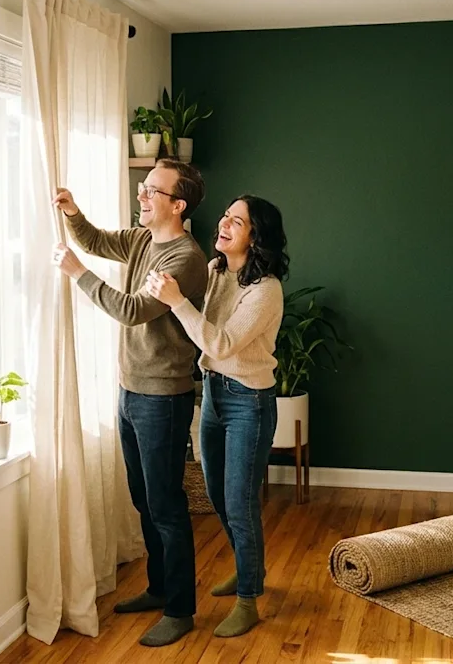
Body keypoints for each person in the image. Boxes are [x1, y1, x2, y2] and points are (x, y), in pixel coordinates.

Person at [50, 158, 209, 647]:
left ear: (177, 205)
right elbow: (97, 240)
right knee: (143, 499)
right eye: (144, 186)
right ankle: (159, 589)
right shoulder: (143, 240)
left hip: (162, 397)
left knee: (166, 506)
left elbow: (133, 310)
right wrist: (73, 213)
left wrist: (78, 274)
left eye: (152, 190)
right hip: (130, 389)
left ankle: (180, 609)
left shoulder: (185, 259)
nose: (142, 194)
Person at [144, 194, 289, 638]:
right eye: (226, 216)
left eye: (237, 222)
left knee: (240, 504)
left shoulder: (265, 290)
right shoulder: (215, 270)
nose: (224, 224)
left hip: (249, 402)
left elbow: (221, 343)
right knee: (218, 496)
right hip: (213, 395)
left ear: (256, 237)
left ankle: (248, 599)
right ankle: (251, 569)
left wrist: (176, 301)